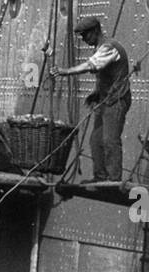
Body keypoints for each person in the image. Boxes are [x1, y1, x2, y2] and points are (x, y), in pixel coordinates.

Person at [56, 16, 131, 183]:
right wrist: (96, 93)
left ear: (96, 31)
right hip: (106, 100)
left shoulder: (109, 47)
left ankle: (113, 179)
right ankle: (100, 176)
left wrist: (65, 72)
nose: (84, 40)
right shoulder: (99, 48)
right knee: (96, 140)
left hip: (117, 100)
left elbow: (91, 66)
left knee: (110, 140)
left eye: (85, 36)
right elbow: (104, 76)